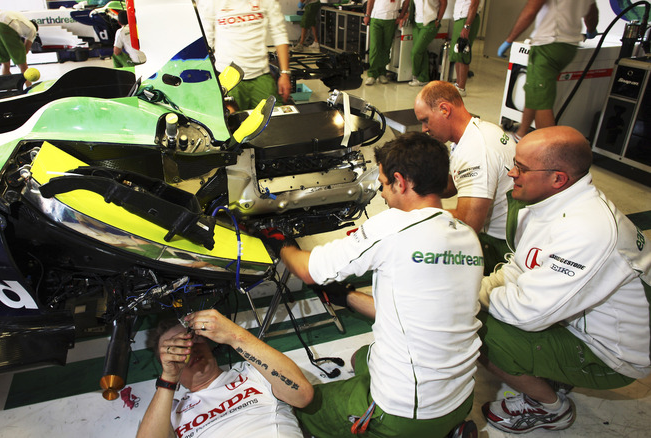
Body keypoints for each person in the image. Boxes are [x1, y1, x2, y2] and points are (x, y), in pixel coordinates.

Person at [276, 132, 484, 437]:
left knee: (303, 409)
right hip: (461, 398)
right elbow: (410, 310)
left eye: (385, 184)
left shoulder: (393, 224)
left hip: (406, 414)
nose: (383, 195)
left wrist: (279, 242)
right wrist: (345, 297)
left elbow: (309, 270)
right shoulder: (466, 234)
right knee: (363, 356)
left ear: (401, 182)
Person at [478, 126, 651, 434]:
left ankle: (550, 408)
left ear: (558, 178)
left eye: (522, 168)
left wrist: (468, 300)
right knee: (482, 304)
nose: (511, 172)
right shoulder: (549, 202)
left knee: (477, 330)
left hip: (613, 353)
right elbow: (520, 266)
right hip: (579, 321)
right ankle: (552, 370)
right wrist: (479, 290)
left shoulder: (588, 229)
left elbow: (528, 314)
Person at [136, 309, 313, 438]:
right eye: (176, 349)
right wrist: (168, 379)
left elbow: (302, 395)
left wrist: (234, 335)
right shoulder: (170, 412)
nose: (189, 350)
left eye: (191, 339)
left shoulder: (253, 371)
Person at [414, 81, 515, 275]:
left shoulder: (476, 150)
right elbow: (453, 184)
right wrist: (415, 186)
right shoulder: (475, 132)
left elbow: (468, 224)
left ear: (444, 109)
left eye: (425, 120)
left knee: (418, 259)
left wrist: (413, 214)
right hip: (498, 235)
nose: (424, 129)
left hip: (497, 247)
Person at [497, 0, 598, 139]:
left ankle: (546, 148)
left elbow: (530, 11)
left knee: (542, 101)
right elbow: (592, 12)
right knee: (534, 88)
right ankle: (521, 133)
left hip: (549, 43)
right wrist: (591, 30)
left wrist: (509, 40)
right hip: (569, 46)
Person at [198, 0, 292, 111]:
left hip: (261, 75)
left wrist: (285, 73)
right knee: (231, 125)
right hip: (228, 76)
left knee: (275, 122)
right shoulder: (210, 2)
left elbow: (279, 33)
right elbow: (205, 39)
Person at [397, 0, 447, 86]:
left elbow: (444, 3)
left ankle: (415, 75)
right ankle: (424, 78)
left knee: (416, 52)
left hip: (430, 22)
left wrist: (438, 20)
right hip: (417, 23)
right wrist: (405, 16)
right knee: (422, 51)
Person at [0, 9, 38, 86]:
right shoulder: (33, 30)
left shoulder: (21, 19)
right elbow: (25, 51)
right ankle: (30, 88)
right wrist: (17, 56)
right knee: (23, 65)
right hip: (7, 27)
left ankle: (8, 89)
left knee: (5, 63)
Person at [362, 0, 400, 86]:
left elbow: (406, 2)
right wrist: (367, 15)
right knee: (375, 47)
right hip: (376, 17)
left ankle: (382, 72)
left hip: (391, 19)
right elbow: (370, 1)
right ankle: (372, 74)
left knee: (386, 47)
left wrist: (401, 16)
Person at [449, 0, 480, 96]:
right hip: (460, 18)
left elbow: (474, 4)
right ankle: (458, 84)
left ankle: (461, 87)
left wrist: (467, 26)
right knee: (458, 52)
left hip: (467, 20)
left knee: (463, 53)